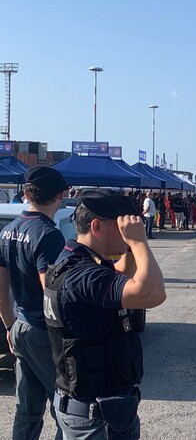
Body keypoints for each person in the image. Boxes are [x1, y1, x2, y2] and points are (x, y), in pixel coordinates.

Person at [45, 189, 166, 439]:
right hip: (95, 418)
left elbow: (119, 276)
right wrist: (139, 242)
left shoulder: (77, 260)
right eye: (120, 224)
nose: (127, 230)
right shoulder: (84, 275)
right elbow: (153, 293)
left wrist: (130, 249)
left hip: (93, 408)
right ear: (97, 226)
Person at [0, 166, 69, 440]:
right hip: (44, 331)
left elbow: (1, 289)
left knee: (26, 410)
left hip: (20, 325)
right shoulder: (48, 235)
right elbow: (51, 292)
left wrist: (10, 326)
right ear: (61, 195)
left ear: (27, 193)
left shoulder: (8, 231)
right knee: (66, 407)